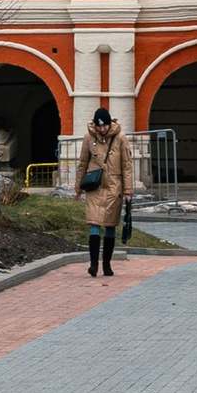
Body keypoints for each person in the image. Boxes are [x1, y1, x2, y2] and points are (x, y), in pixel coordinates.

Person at [74, 106, 132, 277]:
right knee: (94, 224)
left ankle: (106, 264)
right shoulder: (88, 138)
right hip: (95, 187)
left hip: (114, 187)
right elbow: (82, 164)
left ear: (109, 124)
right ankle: (93, 265)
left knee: (110, 225)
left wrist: (128, 191)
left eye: (104, 126)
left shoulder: (120, 138)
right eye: (99, 126)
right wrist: (78, 189)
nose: (102, 129)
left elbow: (127, 166)